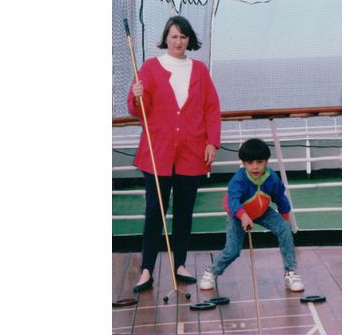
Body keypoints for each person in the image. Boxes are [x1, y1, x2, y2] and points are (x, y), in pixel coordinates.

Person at [127, 16, 221, 293]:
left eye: (183, 37)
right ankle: (146, 269)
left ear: (189, 39)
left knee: (184, 212)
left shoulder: (200, 70)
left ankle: (179, 264)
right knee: (154, 212)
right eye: (173, 36)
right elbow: (137, 109)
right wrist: (136, 95)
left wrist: (212, 143)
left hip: (191, 152)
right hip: (158, 152)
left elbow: (212, 109)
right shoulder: (150, 68)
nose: (178, 42)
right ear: (165, 39)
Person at [199, 138, 305, 292]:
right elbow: (233, 201)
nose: (255, 167)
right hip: (238, 214)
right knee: (232, 250)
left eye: (260, 162)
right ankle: (212, 272)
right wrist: (242, 216)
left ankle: (290, 273)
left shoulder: (272, 178)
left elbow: (280, 197)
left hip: (262, 212)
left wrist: (285, 215)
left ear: (267, 161)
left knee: (284, 228)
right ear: (243, 163)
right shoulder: (239, 179)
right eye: (250, 163)